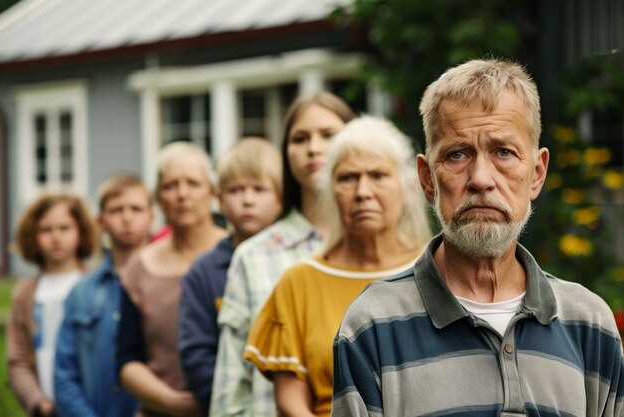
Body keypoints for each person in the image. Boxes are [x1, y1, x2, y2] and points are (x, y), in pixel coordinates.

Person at [332, 59, 624, 416]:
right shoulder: (372, 325)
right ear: (427, 179)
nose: (481, 178)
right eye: (457, 154)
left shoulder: (589, 324)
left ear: (536, 173)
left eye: (504, 152)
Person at [244, 116, 432, 417]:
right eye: (347, 178)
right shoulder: (299, 282)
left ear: (408, 185)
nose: (362, 192)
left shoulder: (438, 270)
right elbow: (290, 404)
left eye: (378, 175)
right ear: (329, 192)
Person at [210, 92, 354, 417]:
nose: (313, 148)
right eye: (300, 138)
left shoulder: (384, 251)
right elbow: (230, 384)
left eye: (328, 135)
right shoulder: (253, 256)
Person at [116, 142, 228, 417]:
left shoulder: (239, 257)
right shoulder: (140, 267)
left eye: (193, 183)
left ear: (212, 192)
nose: (182, 194)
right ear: (158, 198)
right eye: (170, 186)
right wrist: (173, 403)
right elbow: (127, 359)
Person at [178, 138, 283, 416]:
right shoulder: (202, 272)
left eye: (259, 189)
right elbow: (196, 355)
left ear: (281, 196)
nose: (248, 199)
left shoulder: (301, 259)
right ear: (219, 199)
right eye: (236, 190)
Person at [54, 173, 155, 417]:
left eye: (136, 209)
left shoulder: (166, 285)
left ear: (151, 217)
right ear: (101, 222)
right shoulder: (81, 293)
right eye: (116, 210)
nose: (127, 218)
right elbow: (65, 375)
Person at [7, 192, 97, 417]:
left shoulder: (97, 287)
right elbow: (17, 360)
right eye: (46, 230)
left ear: (81, 231)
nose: (56, 237)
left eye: (65, 228)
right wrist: (39, 402)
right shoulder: (25, 294)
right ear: (32, 235)